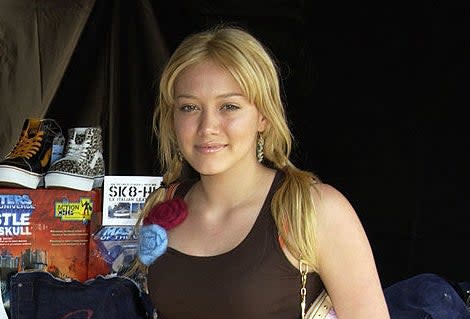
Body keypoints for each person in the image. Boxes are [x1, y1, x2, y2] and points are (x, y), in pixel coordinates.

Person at [130, 25, 390, 319]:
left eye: (229, 106)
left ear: (263, 116)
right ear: (172, 117)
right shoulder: (165, 206)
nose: (207, 127)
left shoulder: (314, 209)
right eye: (189, 107)